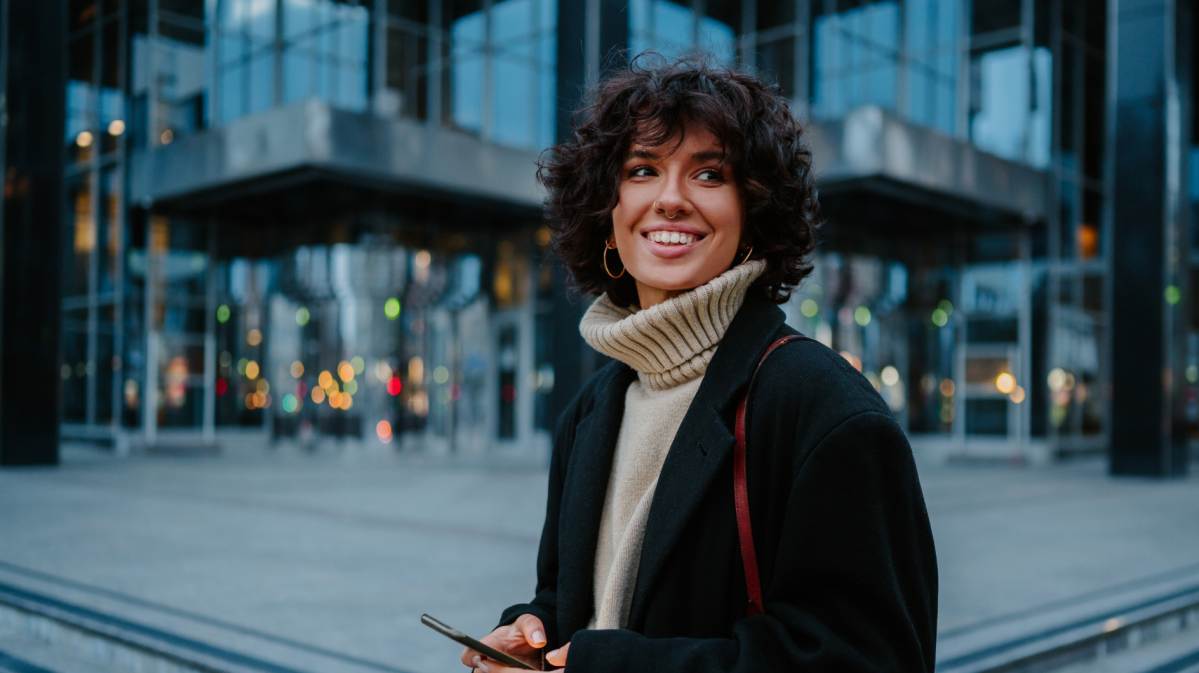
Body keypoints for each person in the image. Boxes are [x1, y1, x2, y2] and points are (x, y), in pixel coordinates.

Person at [460, 54, 938, 673]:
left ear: (752, 213)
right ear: (608, 215)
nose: (670, 199)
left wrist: (615, 666)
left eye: (709, 174)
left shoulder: (822, 409)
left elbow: (867, 660)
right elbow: (579, 598)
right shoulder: (590, 411)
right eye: (641, 170)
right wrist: (532, 632)